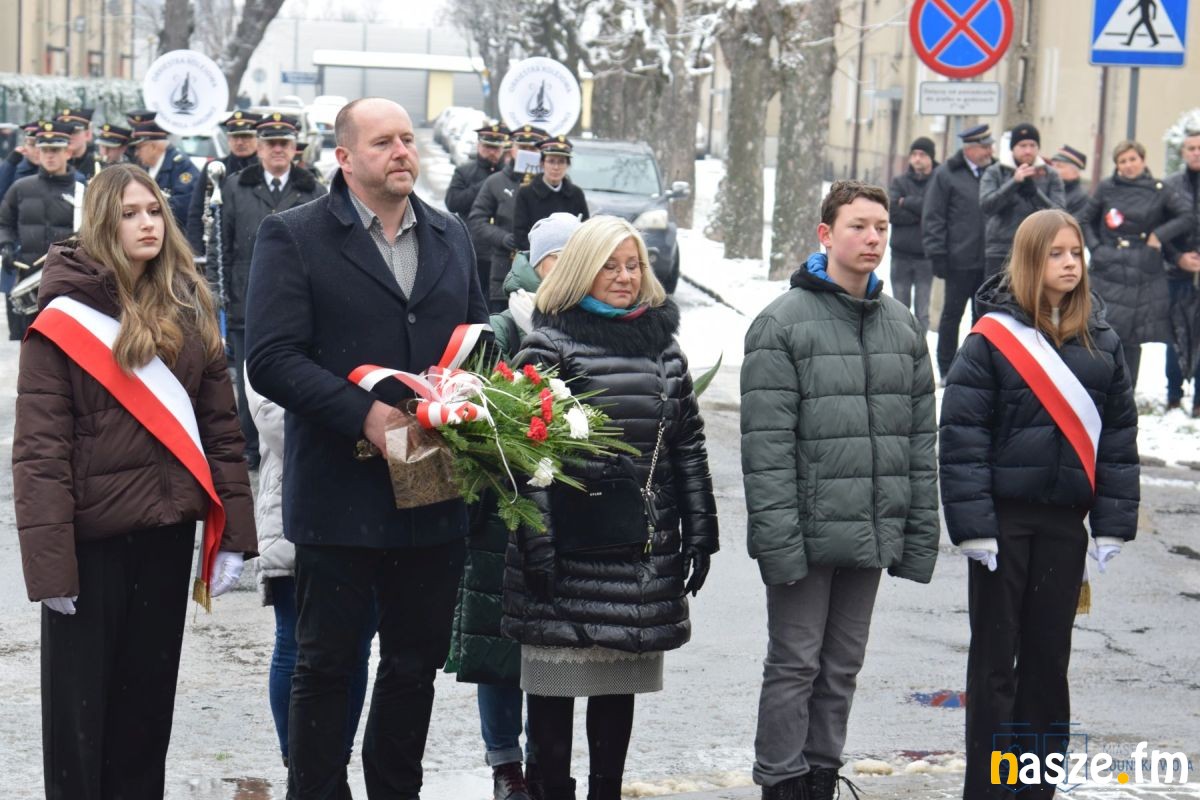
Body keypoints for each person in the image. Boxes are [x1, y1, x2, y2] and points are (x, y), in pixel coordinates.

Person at [244, 97, 488, 798]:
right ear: (345, 157)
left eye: (408, 138)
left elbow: (475, 340)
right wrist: (366, 416)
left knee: (413, 669)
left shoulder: (449, 234)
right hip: (339, 496)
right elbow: (271, 358)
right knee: (326, 667)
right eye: (383, 142)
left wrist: (474, 397)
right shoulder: (294, 235)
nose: (402, 151)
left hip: (432, 492)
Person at [12, 162, 257, 799]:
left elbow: (221, 431)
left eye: (153, 211)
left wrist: (233, 534)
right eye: (129, 214)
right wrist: (50, 568)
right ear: (102, 223)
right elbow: (40, 453)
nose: (147, 224)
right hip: (90, 546)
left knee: (146, 716)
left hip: (166, 537)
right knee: (78, 720)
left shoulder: (189, 303)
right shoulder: (65, 317)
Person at [503, 214, 718, 800]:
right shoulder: (548, 345)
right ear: (581, 270)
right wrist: (539, 545)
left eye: (634, 265)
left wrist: (701, 529)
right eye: (610, 266)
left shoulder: (664, 349)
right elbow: (528, 452)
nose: (625, 277)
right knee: (553, 694)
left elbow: (687, 445)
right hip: (567, 552)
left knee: (616, 691)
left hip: (639, 550)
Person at [742, 181, 938, 800]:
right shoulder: (781, 323)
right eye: (858, 226)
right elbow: (766, 451)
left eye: (881, 227)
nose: (873, 238)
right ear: (825, 235)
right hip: (804, 533)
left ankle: (821, 776)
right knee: (795, 663)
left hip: (870, 531)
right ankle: (781, 781)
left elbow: (919, 443)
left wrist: (916, 532)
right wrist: (779, 541)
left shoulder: (903, 327)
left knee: (843, 666)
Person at [939, 209, 1139, 800]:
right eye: (1056, 253)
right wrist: (974, 527)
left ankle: (1035, 788)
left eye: (1076, 252)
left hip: (1063, 526)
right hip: (1003, 525)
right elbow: (963, 438)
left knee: (1049, 666)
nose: (1070, 263)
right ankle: (989, 790)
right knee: (995, 665)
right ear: (1030, 260)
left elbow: (1119, 439)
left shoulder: (1102, 340)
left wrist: (1111, 523)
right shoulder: (991, 339)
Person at [447, 212, 581, 800]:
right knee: (500, 642)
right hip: (503, 510)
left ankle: (546, 759)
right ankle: (505, 763)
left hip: (565, 509)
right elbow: (471, 411)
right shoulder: (502, 328)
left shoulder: (586, 329)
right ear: (541, 263)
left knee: (551, 641)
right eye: (563, 260)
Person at [245, 375, 375, 770]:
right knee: (294, 641)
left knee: (357, 644)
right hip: (297, 507)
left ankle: (337, 761)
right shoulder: (272, 347)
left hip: (366, 509)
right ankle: (297, 763)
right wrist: (362, 429)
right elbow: (274, 423)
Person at [218, 112, 326, 471]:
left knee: (296, 374)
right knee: (249, 377)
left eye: (284, 143)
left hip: (300, 301)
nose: (278, 149)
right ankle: (250, 446)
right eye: (271, 143)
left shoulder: (313, 190)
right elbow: (223, 245)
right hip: (245, 297)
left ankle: (294, 442)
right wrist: (220, 293)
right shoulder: (235, 187)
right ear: (259, 148)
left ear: (295, 148)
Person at [1078, 139, 1193, 390]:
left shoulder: (1159, 189)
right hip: (1108, 270)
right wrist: (1096, 249)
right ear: (1117, 165)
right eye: (1122, 161)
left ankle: (1127, 393)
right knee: (1101, 331)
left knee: (1132, 338)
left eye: (1133, 159)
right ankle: (1099, 390)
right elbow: (1085, 220)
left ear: (1143, 160)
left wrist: (1158, 235)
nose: (1128, 165)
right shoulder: (1107, 187)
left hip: (1143, 271)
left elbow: (1186, 216)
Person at [923, 123, 996, 381]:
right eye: (985, 147)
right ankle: (946, 369)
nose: (990, 151)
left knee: (983, 319)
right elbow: (934, 216)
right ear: (969, 149)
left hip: (989, 261)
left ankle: (977, 369)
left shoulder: (995, 173)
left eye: (990, 146)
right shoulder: (946, 174)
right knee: (952, 316)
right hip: (958, 260)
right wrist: (937, 254)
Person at [0, 121, 86, 340]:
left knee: (65, 344)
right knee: (29, 345)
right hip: (28, 279)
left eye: (55, 150)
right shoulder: (21, 187)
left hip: (68, 281)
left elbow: (95, 232)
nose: (49, 155)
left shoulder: (82, 191)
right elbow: (4, 223)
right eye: (45, 150)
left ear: (68, 152)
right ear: (38, 152)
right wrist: (6, 246)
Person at [470, 126, 548, 312]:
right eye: (522, 148)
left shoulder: (551, 185)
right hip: (504, 266)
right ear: (512, 149)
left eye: (532, 149)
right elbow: (477, 220)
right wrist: (502, 238)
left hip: (544, 270)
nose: (527, 153)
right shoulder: (496, 182)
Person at [980, 123, 1066, 277]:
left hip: (1038, 248)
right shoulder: (995, 171)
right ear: (1013, 148)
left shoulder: (1050, 174)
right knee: (998, 292)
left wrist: (1035, 193)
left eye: (1032, 145)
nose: (1028, 150)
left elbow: (1060, 214)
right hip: (1001, 249)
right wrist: (1013, 183)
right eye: (1022, 145)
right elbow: (987, 206)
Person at [187, 110, 263, 253]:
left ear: (257, 138)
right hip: (219, 247)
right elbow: (196, 212)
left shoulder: (266, 171)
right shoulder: (214, 168)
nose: (239, 142)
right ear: (228, 139)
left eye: (245, 136)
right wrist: (196, 250)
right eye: (235, 137)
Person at [447, 122, 509, 296]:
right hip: (473, 246)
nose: (492, 152)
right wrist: (487, 185)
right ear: (479, 145)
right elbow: (452, 202)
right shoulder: (464, 171)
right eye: (488, 147)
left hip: (501, 248)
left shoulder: (509, 174)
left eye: (496, 148)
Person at [1163, 129, 1200, 413]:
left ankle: (1199, 401)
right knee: (1175, 334)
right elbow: (1159, 230)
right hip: (1177, 274)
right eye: (1191, 148)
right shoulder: (1170, 186)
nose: (1196, 153)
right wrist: (1178, 258)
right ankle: (1173, 395)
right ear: (1183, 152)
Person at [887, 136, 938, 333]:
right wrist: (923, 213)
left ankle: (919, 347)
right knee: (899, 311)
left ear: (931, 157)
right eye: (914, 154)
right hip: (900, 255)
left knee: (922, 313)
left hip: (926, 256)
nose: (917, 158)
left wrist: (907, 202)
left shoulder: (939, 182)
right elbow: (892, 212)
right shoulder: (899, 182)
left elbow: (936, 211)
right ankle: (900, 347)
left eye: (922, 154)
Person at [509, 135, 590, 255]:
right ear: (542, 163)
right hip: (535, 257)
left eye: (561, 162)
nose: (556, 167)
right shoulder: (526, 193)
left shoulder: (576, 194)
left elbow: (585, 231)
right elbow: (520, 233)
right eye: (551, 161)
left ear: (568, 165)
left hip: (569, 257)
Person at [127, 112, 201, 226]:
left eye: (139, 148)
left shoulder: (181, 166)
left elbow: (184, 205)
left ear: (153, 147)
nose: (136, 153)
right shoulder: (144, 167)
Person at [0, 119, 45, 202]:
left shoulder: (62, 171)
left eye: (42, 146)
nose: (37, 150)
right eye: (32, 145)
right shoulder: (12, 170)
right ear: (24, 147)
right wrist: (10, 164)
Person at [58, 107, 99, 182]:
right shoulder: (51, 165)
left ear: (87, 134)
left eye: (74, 132)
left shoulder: (97, 165)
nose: (68, 136)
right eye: (64, 132)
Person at [1050, 144, 1090, 217]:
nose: (1052, 169)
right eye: (1052, 165)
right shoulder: (1049, 187)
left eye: (1059, 166)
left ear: (1075, 173)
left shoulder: (1081, 198)